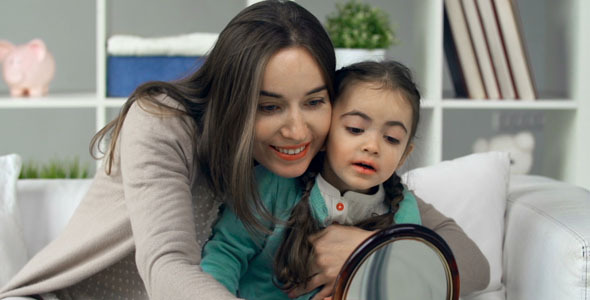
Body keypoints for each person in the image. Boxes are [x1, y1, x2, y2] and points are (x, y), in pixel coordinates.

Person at [0, 1, 487, 300]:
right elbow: (169, 266)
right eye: (268, 106)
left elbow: (473, 263)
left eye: (315, 102)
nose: (296, 129)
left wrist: (371, 251)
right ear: (233, 98)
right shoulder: (162, 122)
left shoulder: (324, 156)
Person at [200, 61, 490, 300]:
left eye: (391, 138)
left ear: (404, 156)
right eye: (355, 129)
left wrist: (377, 255)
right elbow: (225, 253)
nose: (372, 146)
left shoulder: (403, 211)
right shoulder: (274, 185)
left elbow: (424, 280)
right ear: (325, 134)